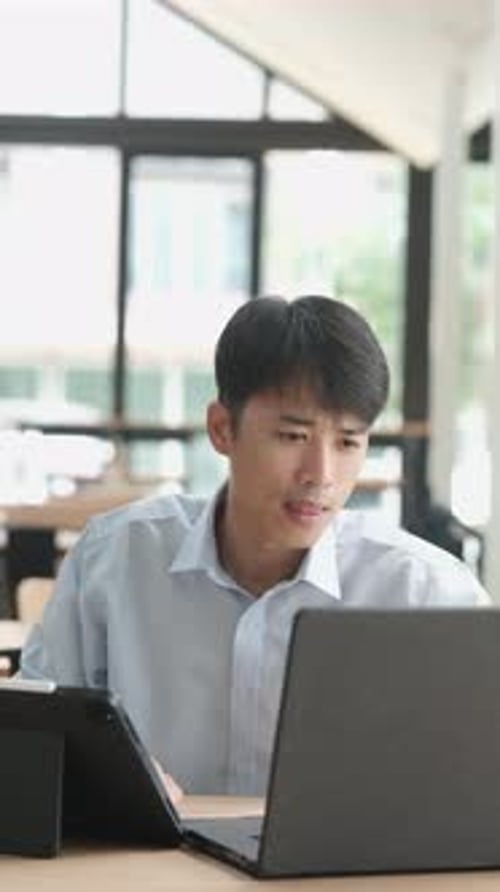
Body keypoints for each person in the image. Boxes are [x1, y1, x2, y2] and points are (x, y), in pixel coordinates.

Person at [20, 295, 488, 799]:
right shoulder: (114, 559)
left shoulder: (424, 591)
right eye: (292, 436)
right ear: (222, 429)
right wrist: (100, 782)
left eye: (349, 443)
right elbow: (30, 743)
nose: (321, 475)